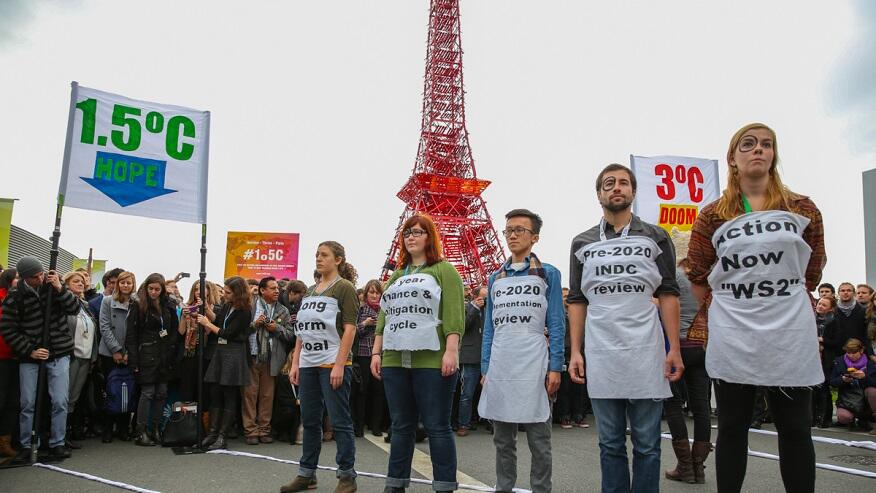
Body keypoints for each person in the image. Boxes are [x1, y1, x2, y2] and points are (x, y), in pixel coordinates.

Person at [687, 123, 826, 493]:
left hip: (789, 330)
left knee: (795, 427)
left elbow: (812, 268)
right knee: (732, 426)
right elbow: (699, 273)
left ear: (774, 155)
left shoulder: (802, 207)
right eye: (748, 145)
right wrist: (736, 304)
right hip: (734, 332)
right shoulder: (713, 214)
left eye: (766, 144)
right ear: (733, 158)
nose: (758, 150)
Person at [568, 164, 683, 493]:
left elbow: (668, 293)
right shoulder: (582, 241)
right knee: (610, 445)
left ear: (633, 192)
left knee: (647, 445)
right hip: (601, 351)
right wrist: (576, 351)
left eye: (623, 183)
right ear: (599, 194)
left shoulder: (656, 235)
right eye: (608, 184)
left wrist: (673, 347)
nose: (616, 188)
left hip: (647, 350)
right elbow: (577, 300)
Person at [371, 214, 465, 493]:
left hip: (432, 360)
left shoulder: (444, 270)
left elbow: (453, 313)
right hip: (394, 360)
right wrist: (377, 353)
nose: (410, 237)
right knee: (400, 426)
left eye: (417, 232)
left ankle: (445, 486)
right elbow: (384, 318)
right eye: (406, 233)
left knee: (437, 426)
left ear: (429, 237)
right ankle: (395, 485)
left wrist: (451, 350)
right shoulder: (397, 276)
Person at [479, 208, 565, 493]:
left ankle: (541, 489)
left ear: (535, 237)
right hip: (502, 363)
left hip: (535, 363)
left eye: (519, 230)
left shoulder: (548, 273)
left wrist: (555, 366)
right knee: (502, 439)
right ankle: (504, 487)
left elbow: (555, 322)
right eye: (508, 231)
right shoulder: (495, 278)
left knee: (539, 439)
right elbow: (490, 327)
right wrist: (485, 368)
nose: (512, 235)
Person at [282, 241, 359, 493]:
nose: (318, 258)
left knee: (339, 420)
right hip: (308, 364)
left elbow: (350, 328)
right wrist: (295, 362)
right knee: (310, 420)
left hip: (331, 363)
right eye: (317, 254)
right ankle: (307, 474)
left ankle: (347, 476)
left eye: (324, 255)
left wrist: (339, 364)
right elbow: (301, 331)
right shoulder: (311, 292)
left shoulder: (344, 288)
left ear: (338, 259)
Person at [0, 256, 80, 463]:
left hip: (59, 352)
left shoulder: (53, 285)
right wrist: (29, 350)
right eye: (36, 277)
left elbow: (74, 309)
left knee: (60, 400)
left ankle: (57, 443)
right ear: (26, 278)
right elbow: (8, 328)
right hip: (31, 355)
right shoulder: (15, 296)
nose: (41, 278)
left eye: (42, 273)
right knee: (27, 402)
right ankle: (27, 444)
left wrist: (60, 288)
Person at [662, 229, 711, 484]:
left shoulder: (674, 277)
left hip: (677, 346)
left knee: (672, 403)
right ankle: (699, 466)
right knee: (701, 406)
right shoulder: (704, 278)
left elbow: (661, 306)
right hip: (702, 346)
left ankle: (684, 465)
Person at [197, 276, 253, 451]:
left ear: (237, 293)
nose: (225, 294)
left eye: (228, 292)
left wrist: (207, 324)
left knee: (229, 394)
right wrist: (206, 310)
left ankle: (222, 436)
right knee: (215, 391)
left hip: (234, 353)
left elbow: (227, 333)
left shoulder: (245, 311)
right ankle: (213, 433)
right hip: (221, 352)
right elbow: (218, 320)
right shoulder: (228, 306)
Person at [126, 273, 179, 446]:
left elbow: (174, 330)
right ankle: (140, 431)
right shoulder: (138, 304)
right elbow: (131, 335)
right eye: (151, 289)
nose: (154, 292)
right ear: (146, 288)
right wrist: (134, 360)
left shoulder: (169, 305)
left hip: (164, 355)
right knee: (147, 393)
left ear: (162, 289)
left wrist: (170, 350)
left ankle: (155, 428)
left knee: (161, 392)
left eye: (157, 289)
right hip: (146, 354)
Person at [243, 276, 295, 445]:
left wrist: (276, 328)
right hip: (251, 356)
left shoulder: (283, 310)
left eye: (277, 289)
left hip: (272, 359)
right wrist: (255, 324)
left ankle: (264, 430)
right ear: (262, 290)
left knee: (267, 396)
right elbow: (240, 329)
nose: (277, 291)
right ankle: (250, 430)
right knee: (249, 396)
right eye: (272, 288)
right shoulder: (250, 306)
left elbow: (290, 335)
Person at [97, 270, 136, 443]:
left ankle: (123, 428)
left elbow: (136, 331)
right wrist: (116, 350)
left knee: (127, 391)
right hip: (109, 353)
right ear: (117, 284)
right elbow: (104, 326)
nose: (126, 286)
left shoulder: (137, 304)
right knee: (110, 391)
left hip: (129, 353)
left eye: (129, 283)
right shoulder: (107, 301)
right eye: (122, 282)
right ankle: (107, 428)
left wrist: (127, 353)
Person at [62, 271, 100, 447]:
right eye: (76, 281)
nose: (81, 283)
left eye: (82, 281)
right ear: (66, 283)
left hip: (85, 358)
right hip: (70, 355)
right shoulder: (63, 303)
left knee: (73, 398)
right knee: (62, 397)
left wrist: (93, 357)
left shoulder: (85, 305)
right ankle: (57, 436)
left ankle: (66, 433)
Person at [177, 280, 220, 404]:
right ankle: (188, 419)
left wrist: (204, 311)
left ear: (209, 291)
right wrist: (185, 318)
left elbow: (213, 327)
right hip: (190, 352)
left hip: (207, 353)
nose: (198, 292)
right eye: (196, 289)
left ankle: (204, 419)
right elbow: (181, 332)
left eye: (202, 288)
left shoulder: (215, 307)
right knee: (187, 387)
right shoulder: (188, 306)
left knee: (204, 390)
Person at [354, 279, 386, 438]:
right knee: (362, 391)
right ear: (366, 294)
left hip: (380, 354)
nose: (374, 295)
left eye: (377, 292)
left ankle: (376, 425)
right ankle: (359, 426)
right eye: (371, 292)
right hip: (363, 353)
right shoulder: (360, 309)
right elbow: (352, 332)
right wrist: (365, 324)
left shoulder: (385, 310)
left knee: (378, 391)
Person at [456, 285, 486, 437]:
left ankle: (490, 421)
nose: (485, 301)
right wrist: (474, 308)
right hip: (470, 357)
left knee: (490, 392)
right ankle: (463, 424)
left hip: (487, 356)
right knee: (466, 393)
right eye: (483, 297)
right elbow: (463, 326)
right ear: (475, 297)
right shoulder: (467, 307)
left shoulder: (490, 309)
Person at [829, 338, 876, 432]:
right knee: (843, 417)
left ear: (861, 351)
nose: (851, 355)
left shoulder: (870, 363)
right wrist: (843, 380)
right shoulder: (839, 362)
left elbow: (874, 382)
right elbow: (832, 382)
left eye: (854, 353)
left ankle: (870, 419)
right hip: (849, 397)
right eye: (848, 352)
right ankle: (852, 420)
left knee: (873, 391)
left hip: (866, 397)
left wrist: (864, 377)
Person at [824, 282, 868, 376]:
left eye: (849, 290)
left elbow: (866, 333)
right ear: (838, 293)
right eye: (842, 290)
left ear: (854, 293)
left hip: (858, 354)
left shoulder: (863, 311)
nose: (845, 292)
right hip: (838, 353)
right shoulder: (832, 312)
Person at [0, 268, 19, 458]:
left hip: (16, 356)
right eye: (17, 278)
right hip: (2, 356)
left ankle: (5, 441)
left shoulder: (20, 298)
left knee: (13, 402)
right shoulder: (2, 297)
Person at [814, 295, 837, 428]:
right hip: (812, 357)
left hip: (827, 358)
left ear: (830, 309)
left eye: (824, 305)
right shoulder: (811, 319)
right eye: (819, 303)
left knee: (824, 389)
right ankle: (812, 417)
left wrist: (822, 341)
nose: (820, 306)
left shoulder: (834, 321)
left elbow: (837, 341)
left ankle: (825, 418)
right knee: (813, 389)